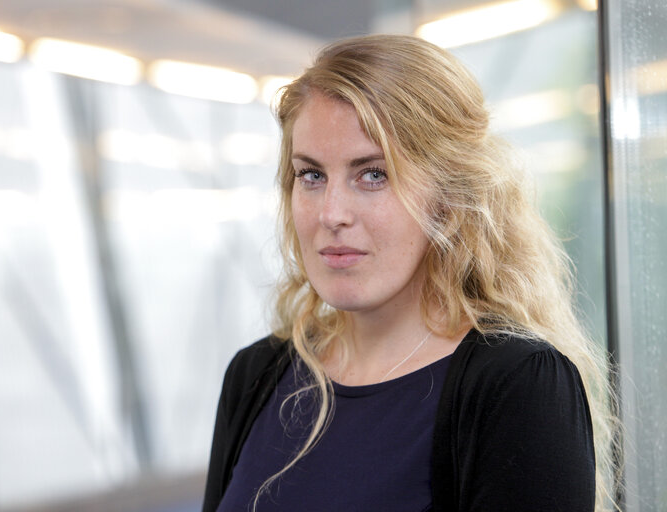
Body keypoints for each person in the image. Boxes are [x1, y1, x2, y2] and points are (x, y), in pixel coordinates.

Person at [202, 34, 617, 512]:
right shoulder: (257, 375)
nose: (331, 213)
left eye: (373, 174)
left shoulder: (515, 386)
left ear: (447, 197)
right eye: (311, 175)